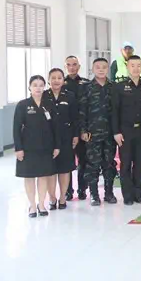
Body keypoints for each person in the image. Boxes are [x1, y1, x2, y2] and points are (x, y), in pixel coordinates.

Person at [14, 75, 60, 218]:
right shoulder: (23, 105)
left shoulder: (49, 104)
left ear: (44, 87)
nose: (38, 88)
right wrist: (18, 148)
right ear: (29, 87)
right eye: (35, 85)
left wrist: (57, 146)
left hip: (46, 147)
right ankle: (32, 206)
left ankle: (41, 204)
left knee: (43, 175)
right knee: (29, 176)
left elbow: (56, 127)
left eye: (41, 85)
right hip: (28, 147)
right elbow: (16, 128)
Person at [111, 55, 141, 206]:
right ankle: (127, 195)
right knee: (125, 164)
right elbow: (114, 111)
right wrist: (116, 132)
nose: (136, 68)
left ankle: (138, 194)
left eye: (138, 65)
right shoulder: (119, 87)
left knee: (139, 164)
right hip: (125, 131)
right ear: (127, 67)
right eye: (132, 65)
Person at [80, 58, 117, 207]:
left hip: (110, 133)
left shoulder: (114, 87)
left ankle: (109, 193)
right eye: (98, 67)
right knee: (92, 165)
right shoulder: (86, 88)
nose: (101, 70)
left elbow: (118, 111)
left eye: (104, 67)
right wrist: (83, 130)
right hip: (92, 134)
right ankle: (94, 195)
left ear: (108, 69)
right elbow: (82, 111)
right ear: (92, 69)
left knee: (109, 164)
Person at [44, 69, 79, 210]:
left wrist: (75, 135)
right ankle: (52, 198)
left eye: (59, 78)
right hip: (48, 137)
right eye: (53, 78)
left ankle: (63, 197)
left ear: (63, 80)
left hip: (66, 136)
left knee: (65, 169)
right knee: (50, 169)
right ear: (48, 80)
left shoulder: (70, 96)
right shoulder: (43, 96)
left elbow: (75, 117)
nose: (56, 80)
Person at [63, 55, 89, 201]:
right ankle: (67, 191)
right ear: (65, 67)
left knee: (83, 161)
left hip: (82, 128)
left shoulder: (86, 83)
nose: (72, 67)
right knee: (68, 162)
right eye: (69, 65)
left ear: (79, 66)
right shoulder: (61, 84)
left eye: (74, 64)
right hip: (67, 129)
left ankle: (82, 189)